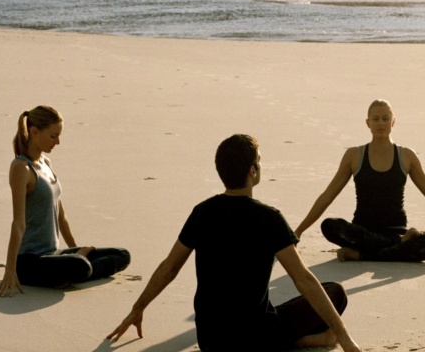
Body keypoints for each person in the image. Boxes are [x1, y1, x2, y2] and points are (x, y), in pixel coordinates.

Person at [107, 134, 361, 352]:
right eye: (259, 161)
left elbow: (169, 268)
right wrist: (346, 337)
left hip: (211, 339)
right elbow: (303, 279)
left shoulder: (202, 212)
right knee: (335, 292)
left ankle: (301, 338)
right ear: (252, 171)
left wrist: (137, 308)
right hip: (256, 337)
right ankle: (307, 340)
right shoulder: (269, 218)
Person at [295, 99, 425, 262]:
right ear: (367, 123)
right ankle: (394, 247)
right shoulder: (354, 155)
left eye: (386, 118)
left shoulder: (406, 156)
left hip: (395, 231)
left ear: (393, 122)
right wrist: (298, 231)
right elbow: (327, 196)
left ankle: (363, 256)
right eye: (375, 119)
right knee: (330, 225)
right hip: (362, 231)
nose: (381, 123)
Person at [0, 106, 130, 297]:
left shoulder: (46, 163)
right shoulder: (21, 169)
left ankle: (71, 271)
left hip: (54, 255)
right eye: (53, 136)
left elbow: (61, 216)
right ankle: (75, 269)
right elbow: (18, 223)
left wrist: (75, 249)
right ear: (34, 132)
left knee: (122, 255)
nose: (58, 142)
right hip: (29, 261)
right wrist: (10, 271)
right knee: (80, 265)